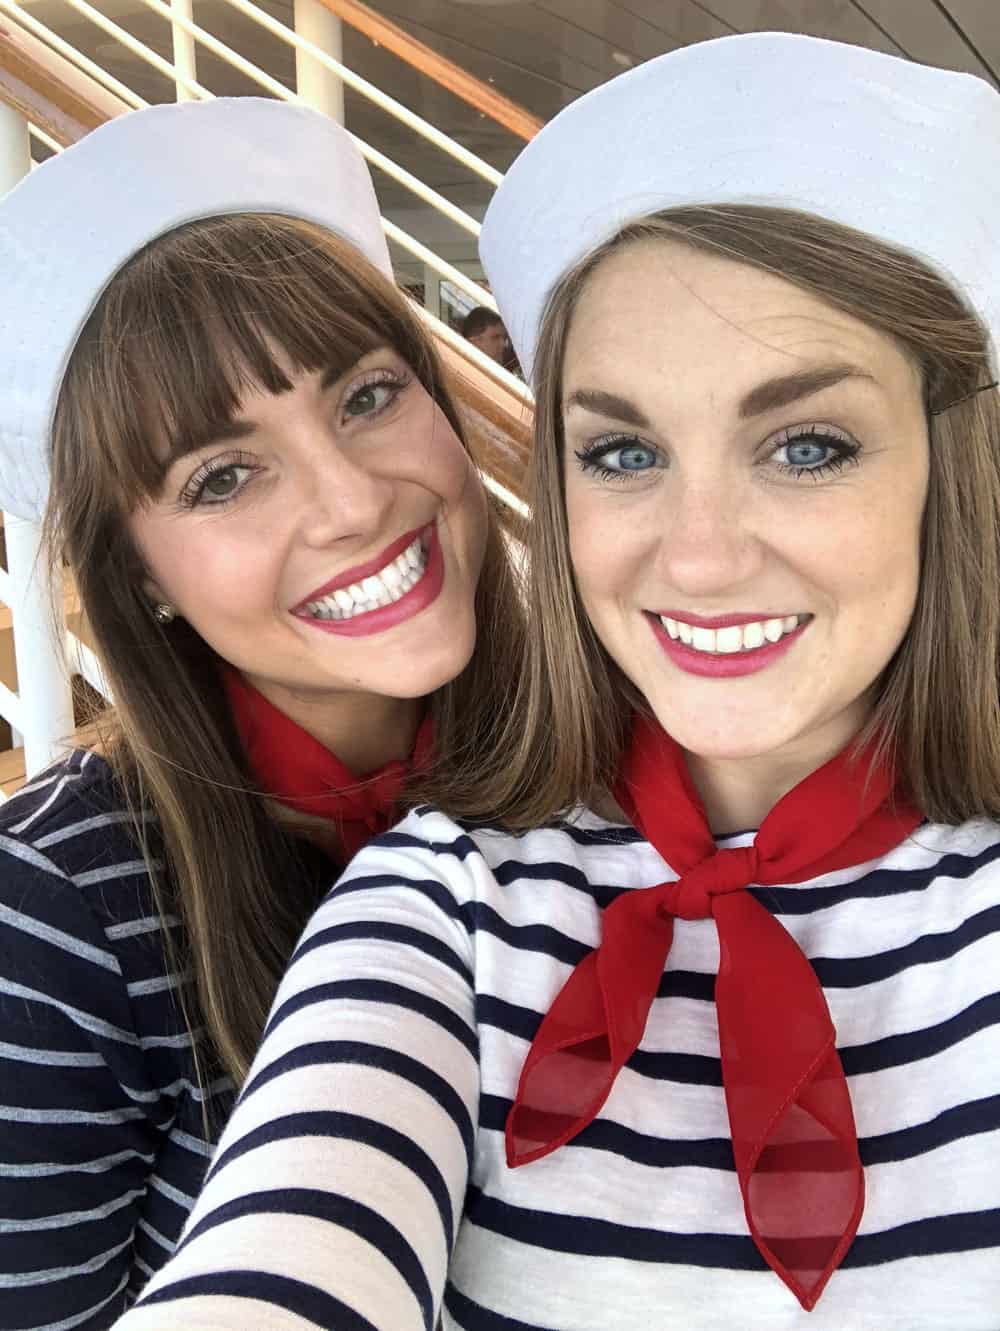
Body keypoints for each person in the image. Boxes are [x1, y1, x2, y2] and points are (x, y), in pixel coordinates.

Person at [108, 35, 1000, 1330]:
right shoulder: (441, 899)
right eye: (624, 449)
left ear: (943, 470)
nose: (697, 554)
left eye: (807, 443)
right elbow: (282, 1248)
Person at [0, 97, 523, 1327]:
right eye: (222, 475)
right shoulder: (55, 919)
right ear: (134, 575)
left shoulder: (635, 759)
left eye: (368, 395)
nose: (350, 501)